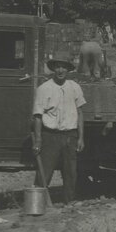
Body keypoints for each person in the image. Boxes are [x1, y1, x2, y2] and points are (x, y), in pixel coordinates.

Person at [33, 57, 86, 204]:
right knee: (45, 170)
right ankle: (37, 203)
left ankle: (69, 202)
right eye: (57, 67)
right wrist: (38, 140)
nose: (60, 70)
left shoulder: (75, 87)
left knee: (70, 172)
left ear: (68, 70)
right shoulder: (44, 89)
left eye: (64, 67)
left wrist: (81, 137)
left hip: (70, 135)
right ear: (53, 69)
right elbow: (38, 116)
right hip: (51, 135)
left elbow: (80, 113)